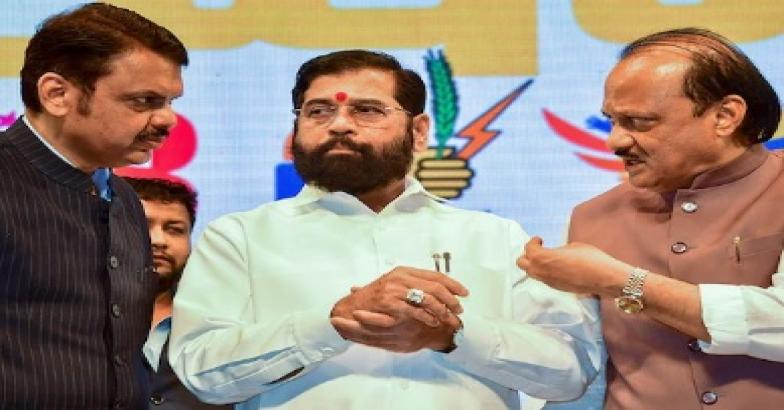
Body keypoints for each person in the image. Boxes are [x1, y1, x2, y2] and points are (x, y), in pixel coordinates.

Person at [169, 49, 602, 409]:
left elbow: (571, 371)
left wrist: (454, 336)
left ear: (419, 131)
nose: (339, 124)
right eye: (318, 111)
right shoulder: (240, 237)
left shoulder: (495, 237)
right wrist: (334, 322)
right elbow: (200, 372)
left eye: (367, 110)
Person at [517, 28, 784, 409]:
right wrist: (456, 335)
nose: (614, 141)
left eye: (638, 121)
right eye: (612, 120)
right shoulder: (592, 218)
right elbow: (573, 372)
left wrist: (621, 281)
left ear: (725, 116)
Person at [0, 3, 187, 408]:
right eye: (145, 101)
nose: (168, 120)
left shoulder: (125, 199)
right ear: (57, 94)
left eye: (170, 101)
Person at [124, 177, 233, 409]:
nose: (159, 240)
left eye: (174, 230)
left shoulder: (224, 319)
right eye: (143, 225)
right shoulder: (73, 315)